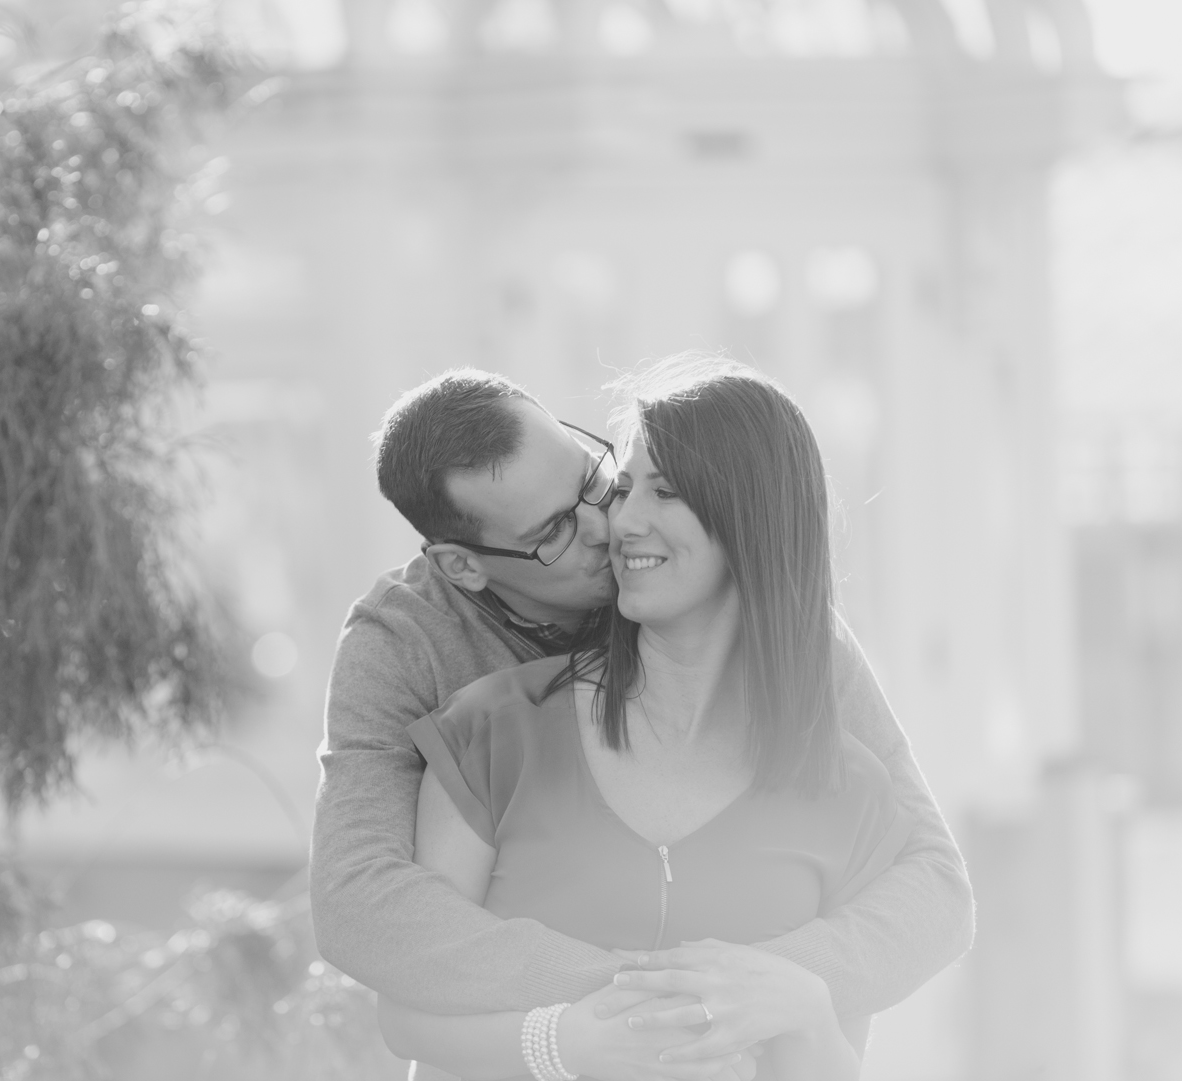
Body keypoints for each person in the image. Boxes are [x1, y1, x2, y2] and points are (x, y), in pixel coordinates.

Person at [310, 363, 973, 1075]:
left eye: (597, 479)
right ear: (464, 566)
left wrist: (761, 987)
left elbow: (933, 887)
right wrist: (635, 1002)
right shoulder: (409, 651)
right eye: (559, 528)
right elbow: (361, 906)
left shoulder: (772, 635)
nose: (610, 525)